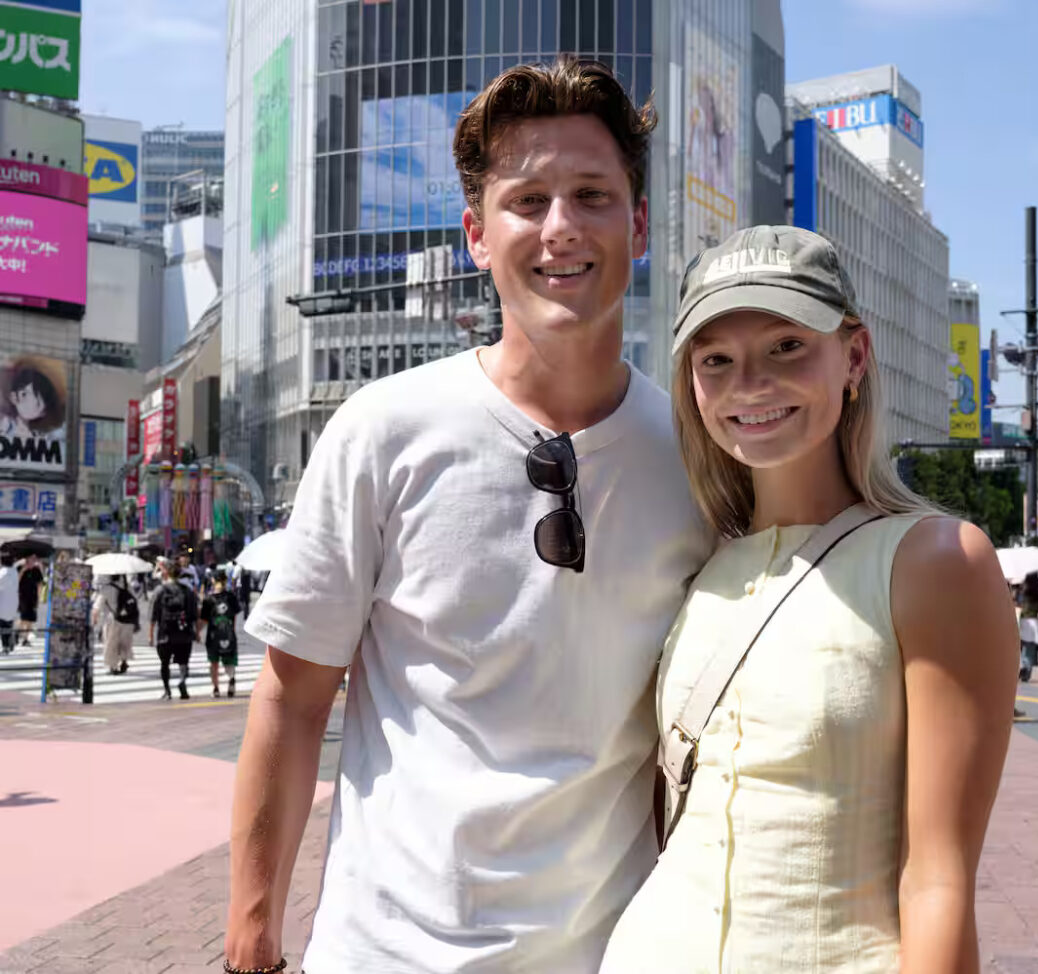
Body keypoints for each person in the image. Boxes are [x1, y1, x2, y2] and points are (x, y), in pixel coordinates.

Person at [224, 59, 712, 974]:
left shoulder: (698, 452)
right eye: (526, 201)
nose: (560, 227)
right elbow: (292, 700)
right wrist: (252, 934)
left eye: (593, 195)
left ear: (639, 224)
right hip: (387, 949)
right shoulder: (382, 430)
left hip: (616, 950)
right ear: (476, 236)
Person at [600, 226, 1018, 973]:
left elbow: (939, 879)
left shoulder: (933, 560)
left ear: (854, 355)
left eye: (786, 347)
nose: (749, 386)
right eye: (716, 361)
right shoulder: (700, 565)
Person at [148, 562, 199, 700]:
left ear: (167, 574)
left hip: (165, 633)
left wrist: (150, 635)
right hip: (184, 632)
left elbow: (153, 614)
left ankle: (167, 690)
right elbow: (194, 615)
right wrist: (197, 633)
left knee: (164, 663)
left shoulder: (160, 590)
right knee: (183, 662)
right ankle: (182, 681)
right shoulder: (188, 591)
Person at [199, 570, 240, 698]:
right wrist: (231, 631)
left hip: (212, 635)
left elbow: (203, 620)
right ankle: (231, 678)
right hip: (228, 634)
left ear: (213, 580)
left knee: (213, 662)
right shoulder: (231, 596)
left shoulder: (208, 599)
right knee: (229, 660)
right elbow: (234, 616)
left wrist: (196, 632)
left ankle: (215, 688)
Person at [94, 574, 138, 675]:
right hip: (127, 619)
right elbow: (135, 601)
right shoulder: (127, 587)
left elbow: (97, 606)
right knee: (125, 642)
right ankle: (124, 661)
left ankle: (113, 666)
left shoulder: (106, 589)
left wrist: (94, 619)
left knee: (111, 644)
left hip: (112, 619)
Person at [1017, 571, 1038, 682]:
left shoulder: (1023, 591)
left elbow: (1018, 604)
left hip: (1023, 620)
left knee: (1020, 646)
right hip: (1034, 621)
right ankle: (1027, 670)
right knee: (1030, 648)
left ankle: (1021, 666)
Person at [16, 553, 44, 646]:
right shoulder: (20, 567)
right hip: (22, 597)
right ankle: (17, 634)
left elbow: (40, 584)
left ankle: (25, 639)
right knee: (23, 618)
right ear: (27, 559)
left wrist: (39, 598)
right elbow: (16, 581)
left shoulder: (36, 570)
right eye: (32, 558)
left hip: (33, 597)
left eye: (35, 559)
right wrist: (23, 570)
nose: (34, 560)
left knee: (31, 619)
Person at [0, 552, 17, 654]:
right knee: (8, 624)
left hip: (3, 602)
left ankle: (6, 645)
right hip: (13, 601)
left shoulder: (3, 572)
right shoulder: (14, 571)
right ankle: (9, 642)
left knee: (3, 625)